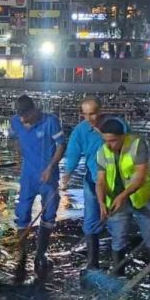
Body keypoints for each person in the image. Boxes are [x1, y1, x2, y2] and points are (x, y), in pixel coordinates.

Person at [10, 95, 65, 278]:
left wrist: (51, 166)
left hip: (48, 177)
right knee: (22, 212)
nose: (23, 120)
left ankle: (40, 254)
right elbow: (15, 138)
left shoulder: (51, 122)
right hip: (28, 176)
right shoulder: (16, 121)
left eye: (26, 116)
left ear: (34, 110)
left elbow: (60, 145)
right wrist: (18, 157)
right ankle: (22, 255)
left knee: (49, 214)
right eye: (20, 117)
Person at [96, 118, 150, 276]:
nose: (109, 145)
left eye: (113, 140)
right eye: (106, 140)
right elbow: (100, 181)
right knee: (118, 239)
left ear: (122, 136)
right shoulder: (102, 151)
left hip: (141, 197)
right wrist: (101, 202)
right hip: (117, 200)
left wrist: (123, 195)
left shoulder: (137, 145)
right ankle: (118, 275)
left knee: (149, 236)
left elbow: (140, 176)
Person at [62, 98, 106, 270]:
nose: (89, 118)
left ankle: (119, 265)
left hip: (115, 181)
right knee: (91, 219)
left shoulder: (114, 126)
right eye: (85, 114)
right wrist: (67, 173)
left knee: (117, 221)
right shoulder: (80, 130)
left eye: (93, 113)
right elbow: (73, 152)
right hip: (94, 180)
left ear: (100, 111)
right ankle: (92, 263)